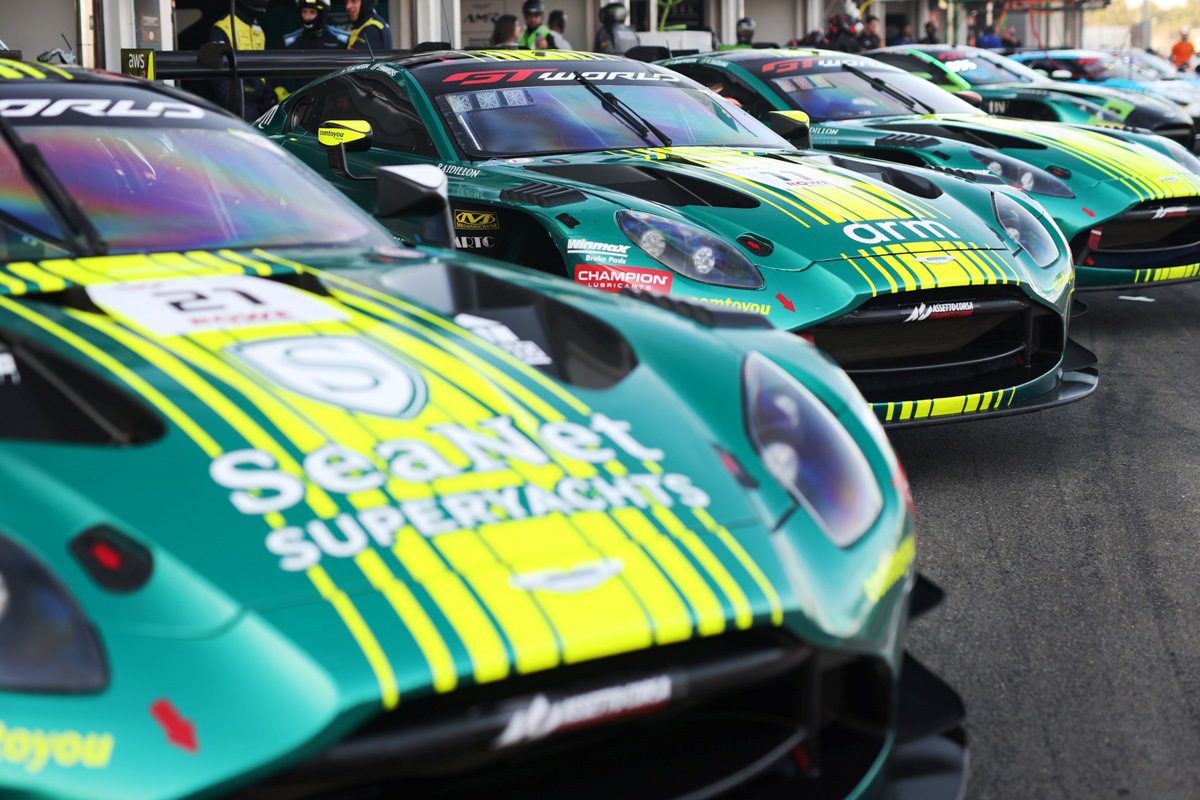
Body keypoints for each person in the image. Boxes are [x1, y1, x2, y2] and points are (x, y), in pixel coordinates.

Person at [208, 0, 280, 121]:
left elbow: (263, 67)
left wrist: (269, 94)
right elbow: (218, 77)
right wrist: (234, 104)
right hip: (237, 107)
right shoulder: (223, 28)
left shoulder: (258, 29)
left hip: (259, 106)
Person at [283, 0, 349, 49]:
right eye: (304, 12)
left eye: (312, 12)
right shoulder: (288, 42)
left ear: (322, 15)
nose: (307, 17)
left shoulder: (344, 39)